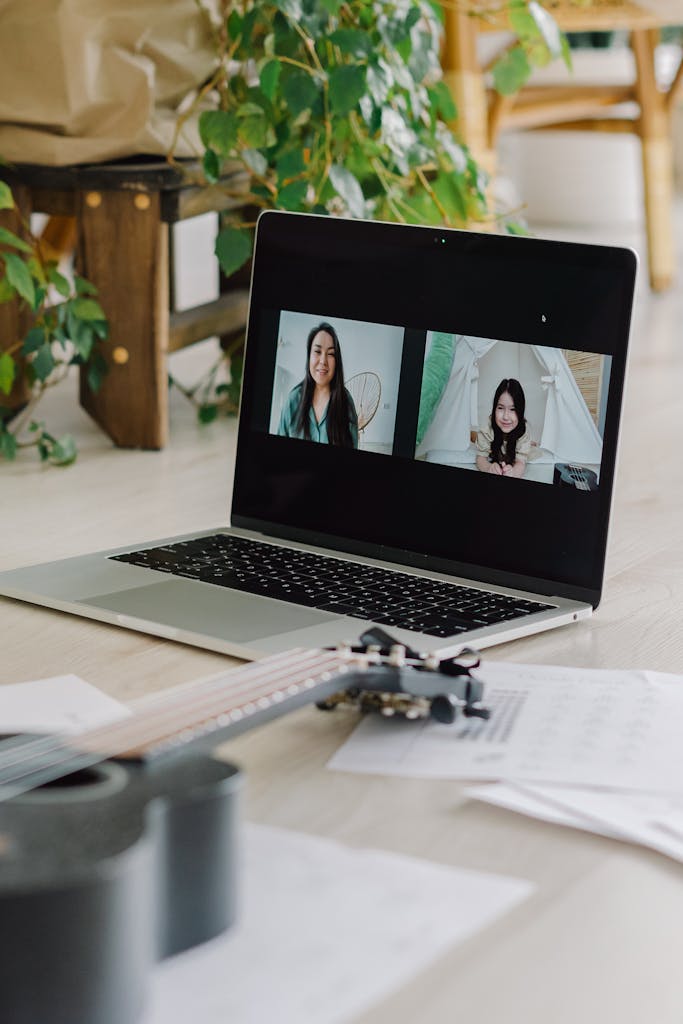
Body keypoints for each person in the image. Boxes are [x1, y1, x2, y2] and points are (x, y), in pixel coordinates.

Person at [277, 322, 359, 447]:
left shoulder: (346, 402)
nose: (323, 361)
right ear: (309, 356)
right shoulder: (292, 401)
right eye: (317, 351)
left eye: (331, 354)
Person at [476, 378, 530, 477]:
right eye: (500, 408)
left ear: (521, 411)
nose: (505, 416)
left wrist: (513, 472)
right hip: (495, 451)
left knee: (530, 448)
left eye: (512, 409)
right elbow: (480, 457)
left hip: (516, 448)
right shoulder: (488, 428)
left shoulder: (523, 430)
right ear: (494, 408)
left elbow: (520, 462)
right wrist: (488, 467)